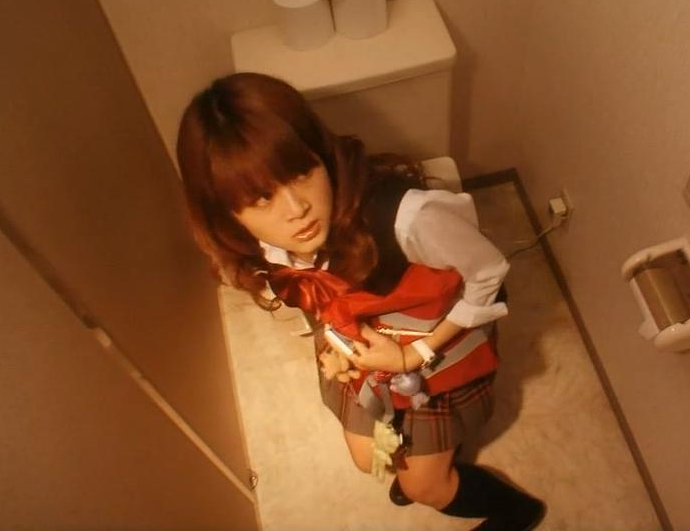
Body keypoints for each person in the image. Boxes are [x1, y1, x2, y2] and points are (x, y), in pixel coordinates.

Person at [176, 72, 545, 531]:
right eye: (262, 198)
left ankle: (514, 510)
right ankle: (423, 455)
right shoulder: (257, 247)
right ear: (227, 214)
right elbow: (314, 296)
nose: (296, 209)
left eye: (301, 173)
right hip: (366, 353)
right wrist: (333, 345)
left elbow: (488, 272)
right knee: (368, 457)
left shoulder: (409, 219)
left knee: (425, 487)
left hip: (435, 348)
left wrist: (415, 354)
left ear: (321, 155)